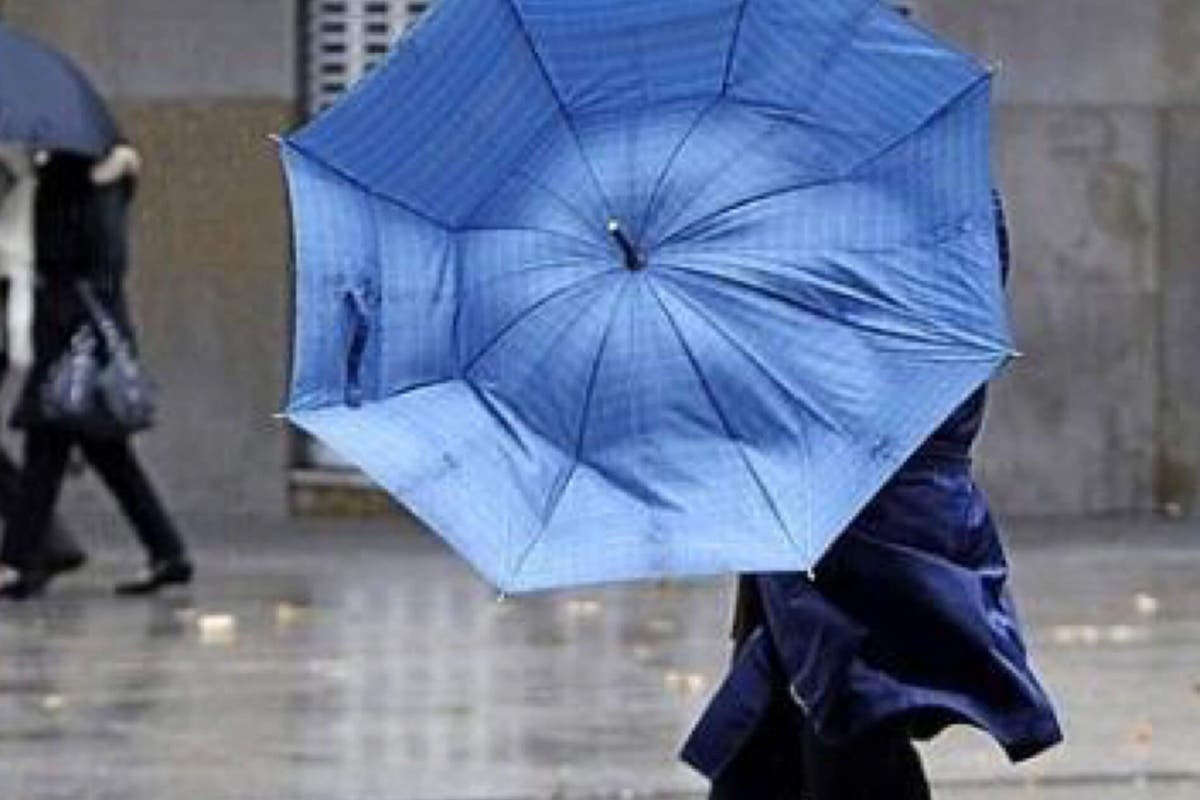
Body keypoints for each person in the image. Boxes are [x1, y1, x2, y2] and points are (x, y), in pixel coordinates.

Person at [681, 198, 1062, 798]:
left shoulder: (920, 207)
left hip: (857, 521)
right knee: (800, 736)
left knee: (843, 727)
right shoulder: (854, 195)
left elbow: (902, 368)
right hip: (826, 520)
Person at [0, 143, 193, 600]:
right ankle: (167, 552)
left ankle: (20, 562)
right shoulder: (105, 187)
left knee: (46, 451)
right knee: (105, 456)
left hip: (72, 337)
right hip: (89, 332)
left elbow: (68, 259)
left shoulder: (71, 188)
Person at [0, 144, 87, 579]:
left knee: (52, 440)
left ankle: (42, 541)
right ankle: (41, 540)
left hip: (11, 302)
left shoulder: (18, 167)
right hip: (17, 304)